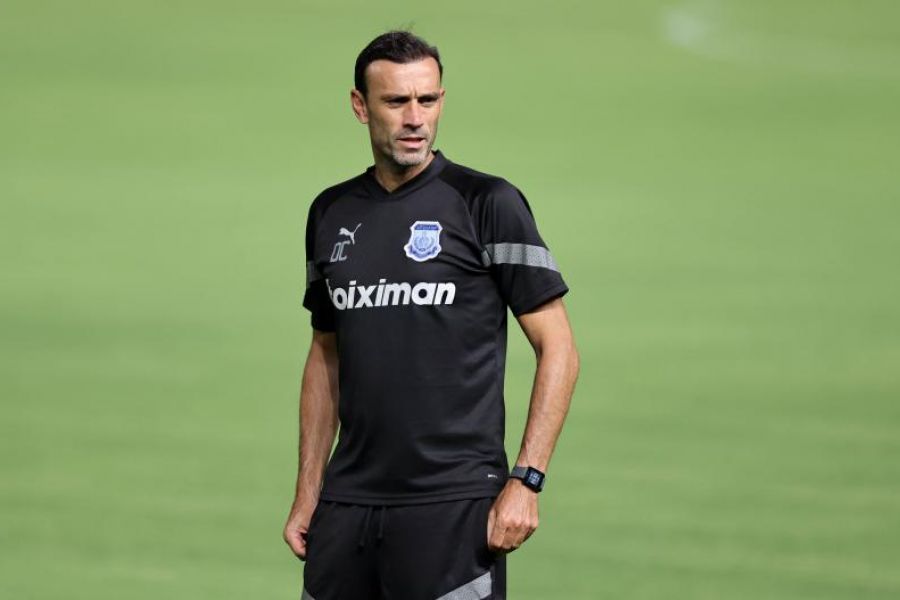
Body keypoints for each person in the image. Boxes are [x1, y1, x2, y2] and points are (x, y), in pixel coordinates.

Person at [283, 30, 580, 600]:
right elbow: (325, 355)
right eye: (396, 101)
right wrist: (308, 490)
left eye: (427, 99)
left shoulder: (487, 204)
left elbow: (559, 347)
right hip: (347, 506)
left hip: (454, 505)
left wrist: (527, 479)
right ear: (360, 106)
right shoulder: (331, 212)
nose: (415, 118)